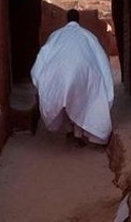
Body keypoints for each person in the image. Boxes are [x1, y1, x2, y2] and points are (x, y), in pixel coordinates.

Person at [31, 9, 114, 145]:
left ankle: (71, 131)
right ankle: (78, 134)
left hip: (59, 72)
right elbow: (100, 57)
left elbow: (43, 55)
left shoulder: (56, 35)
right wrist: (103, 76)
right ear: (78, 19)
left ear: (67, 19)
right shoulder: (88, 35)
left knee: (64, 100)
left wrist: (39, 76)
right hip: (83, 72)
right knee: (80, 101)